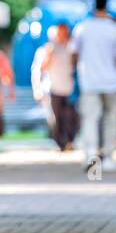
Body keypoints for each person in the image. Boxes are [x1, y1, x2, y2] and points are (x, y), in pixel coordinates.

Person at [72, 0, 116, 172]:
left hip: (88, 80)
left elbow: (73, 55)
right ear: (107, 6)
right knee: (110, 119)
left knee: (90, 118)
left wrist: (75, 73)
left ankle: (90, 154)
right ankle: (107, 156)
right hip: (111, 81)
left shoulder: (81, 28)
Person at [32, 21, 78, 151]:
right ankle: (60, 143)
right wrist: (37, 89)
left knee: (71, 117)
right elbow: (40, 69)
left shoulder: (71, 47)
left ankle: (70, 140)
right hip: (54, 88)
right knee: (56, 118)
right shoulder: (48, 49)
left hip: (69, 88)